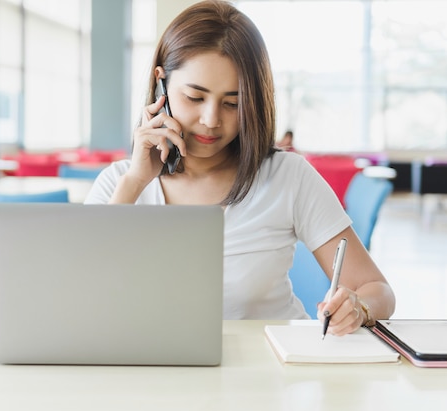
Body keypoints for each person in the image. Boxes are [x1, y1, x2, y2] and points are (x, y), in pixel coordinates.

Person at [85, 0, 395, 335]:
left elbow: (378, 290)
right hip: (152, 377)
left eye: (233, 103)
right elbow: (81, 296)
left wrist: (358, 306)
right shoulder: (117, 184)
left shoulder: (288, 176)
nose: (211, 121)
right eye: (194, 97)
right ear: (161, 84)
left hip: (268, 377)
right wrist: (135, 181)